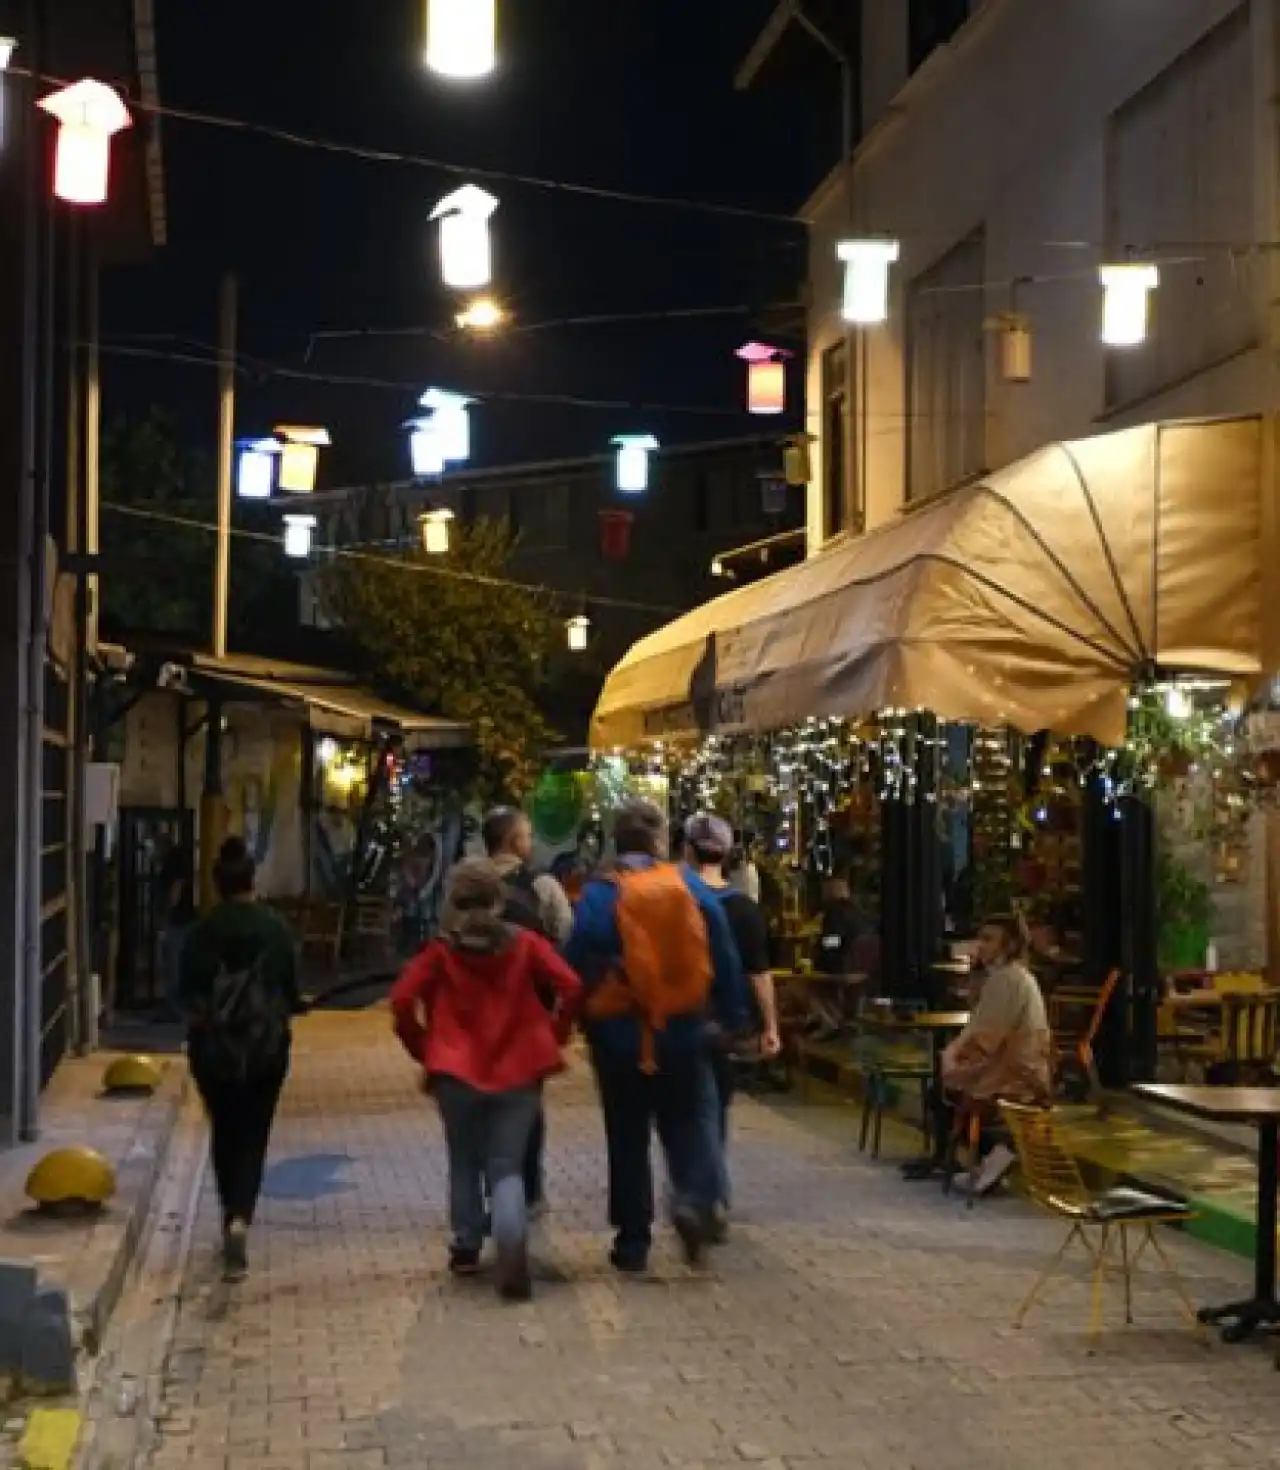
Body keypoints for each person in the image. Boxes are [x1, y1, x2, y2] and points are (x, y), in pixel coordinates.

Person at [565, 799, 749, 1274]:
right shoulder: (689, 888)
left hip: (619, 1036)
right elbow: (724, 955)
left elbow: (577, 960)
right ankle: (691, 1198)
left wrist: (577, 1018)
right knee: (687, 1121)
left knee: (625, 1134)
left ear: (616, 841)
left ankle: (632, 1241)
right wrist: (731, 1017)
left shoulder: (598, 896)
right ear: (660, 840)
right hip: (684, 1030)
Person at [390, 860, 582, 1301]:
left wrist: (424, 1047)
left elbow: (401, 1001)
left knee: (463, 1159)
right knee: (506, 1166)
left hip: (455, 1071)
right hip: (519, 1070)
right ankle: (511, 1239)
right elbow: (570, 985)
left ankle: (466, 1246)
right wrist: (552, 1036)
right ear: (500, 902)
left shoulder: (440, 953)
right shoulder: (526, 944)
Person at [177, 837, 300, 1282]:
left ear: (216, 884)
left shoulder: (202, 932)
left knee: (223, 1129)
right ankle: (242, 1216)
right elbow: (290, 990)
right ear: (252, 880)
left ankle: (228, 1207)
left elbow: (185, 994)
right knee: (254, 1131)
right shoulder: (274, 928)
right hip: (265, 1048)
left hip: (213, 1050)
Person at [683, 813, 780, 1227]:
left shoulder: (677, 899)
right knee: (714, 1107)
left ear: (687, 849)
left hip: (678, 1017)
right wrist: (771, 1026)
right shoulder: (744, 909)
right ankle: (709, 1193)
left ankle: (700, 1192)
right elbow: (760, 973)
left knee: (689, 1109)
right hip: (726, 1022)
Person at [481, 805, 575, 1219]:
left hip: (475, 1012)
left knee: (482, 1096)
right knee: (527, 1101)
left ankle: (494, 1183)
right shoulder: (542, 886)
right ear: (513, 842)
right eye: (526, 835)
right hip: (529, 1009)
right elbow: (564, 932)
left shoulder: (465, 883)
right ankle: (530, 1188)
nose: (531, 842)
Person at [938, 911, 1052, 1195]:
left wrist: (954, 1059)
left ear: (1009, 945)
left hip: (1016, 1073)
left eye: (989, 939)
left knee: (947, 1090)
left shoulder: (1009, 980)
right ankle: (988, 1164)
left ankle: (988, 1164)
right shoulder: (1005, 978)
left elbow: (986, 1036)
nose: (982, 945)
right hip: (1014, 1066)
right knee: (949, 1081)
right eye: (981, 938)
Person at [156, 831, 196, 1020]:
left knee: (173, 966)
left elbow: (175, 890)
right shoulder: (181, 859)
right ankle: (175, 1006)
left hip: (177, 921)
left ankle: (174, 1008)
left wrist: (166, 916)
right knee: (176, 965)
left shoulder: (173, 861)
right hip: (183, 920)